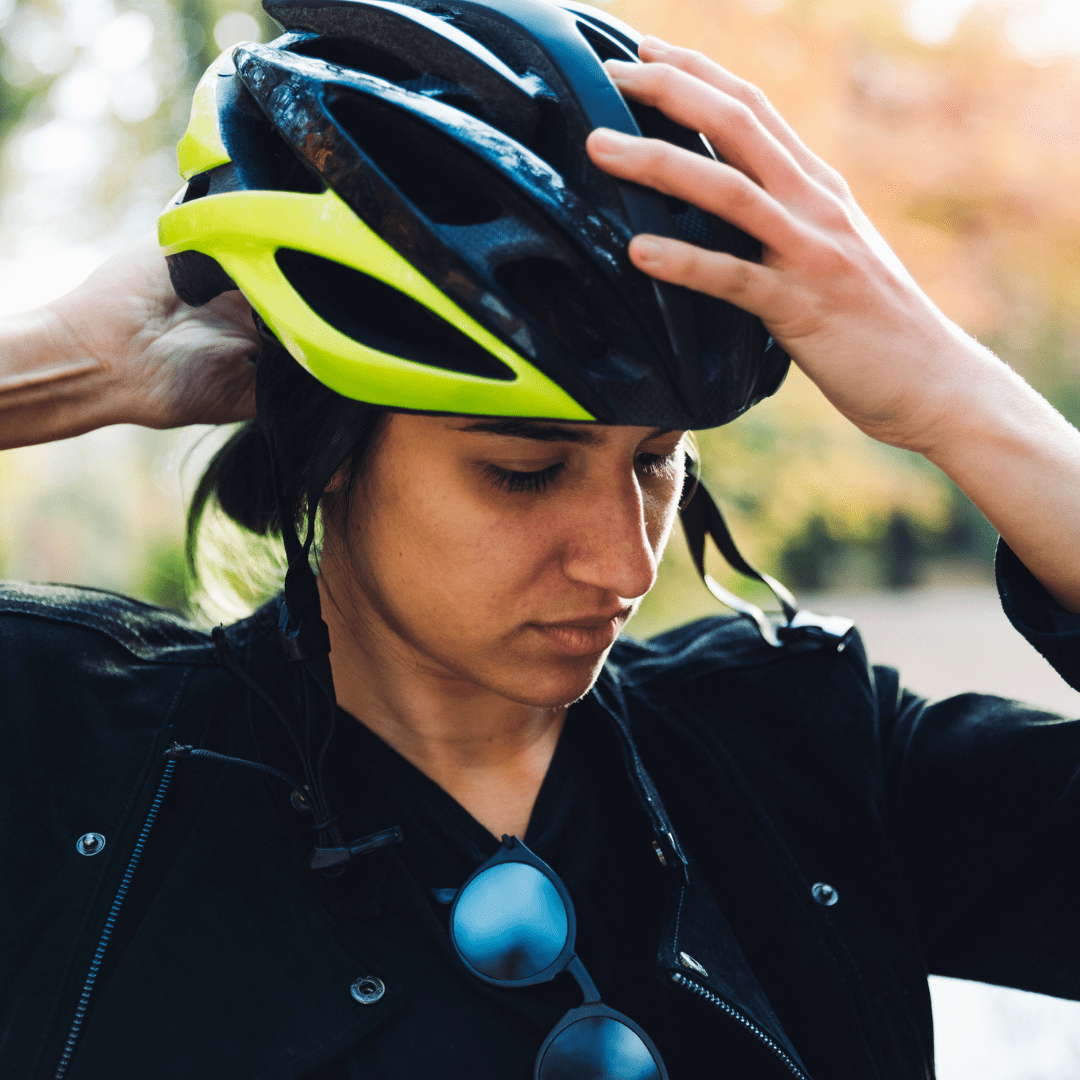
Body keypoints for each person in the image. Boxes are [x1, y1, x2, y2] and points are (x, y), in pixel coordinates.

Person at [3, 1, 1080, 1078]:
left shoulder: (804, 752)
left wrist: (960, 400)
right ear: (324, 445)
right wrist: (64, 365)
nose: (624, 564)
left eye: (656, 460)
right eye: (523, 473)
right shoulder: (70, 759)